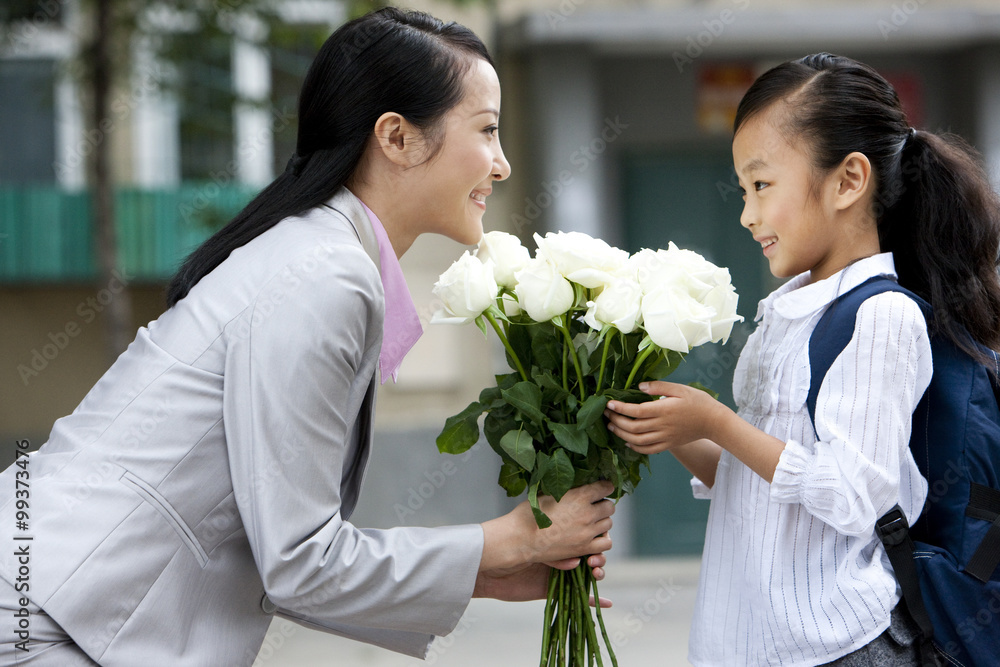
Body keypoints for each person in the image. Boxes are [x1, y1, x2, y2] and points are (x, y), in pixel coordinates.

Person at [0, 8, 615, 665]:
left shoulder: (319, 257)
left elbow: (279, 555)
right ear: (397, 137)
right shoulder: (324, 277)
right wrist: (506, 541)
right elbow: (300, 560)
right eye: (487, 130)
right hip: (44, 619)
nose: (503, 165)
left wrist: (481, 574)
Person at [605, 53, 1000, 666]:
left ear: (848, 181)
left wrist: (717, 422)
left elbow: (853, 495)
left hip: (832, 646)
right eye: (743, 190)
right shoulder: (789, 312)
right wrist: (670, 426)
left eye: (762, 185)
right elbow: (758, 484)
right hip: (746, 643)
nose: (747, 214)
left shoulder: (882, 316)